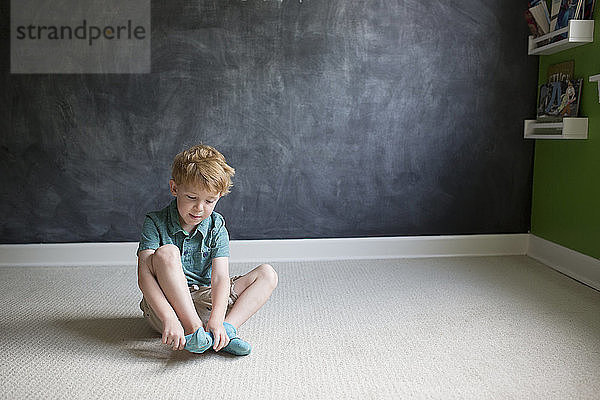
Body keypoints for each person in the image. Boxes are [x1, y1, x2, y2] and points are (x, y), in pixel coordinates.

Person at [136, 144, 278, 356]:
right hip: (167, 306)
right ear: (175, 189)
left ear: (218, 197)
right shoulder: (155, 222)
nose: (199, 208)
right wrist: (169, 318)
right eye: (192, 198)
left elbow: (220, 277)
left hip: (205, 299)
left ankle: (224, 333)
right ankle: (193, 330)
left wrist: (218, 320)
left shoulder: (216, 225)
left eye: (209, 200)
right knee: (167, 252)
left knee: (267, 274)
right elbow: (144, 277)